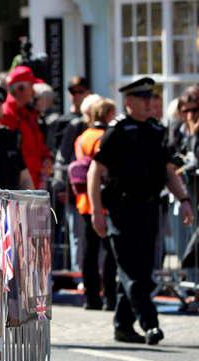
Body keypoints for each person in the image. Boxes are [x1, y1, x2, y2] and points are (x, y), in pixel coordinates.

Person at [88, 77, 194, 345]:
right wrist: (96, 211)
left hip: (148, 207)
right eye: (144, 99)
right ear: (129, 102)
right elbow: (95, 170)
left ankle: (123, 326)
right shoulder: (118, 131)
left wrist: (183, 199)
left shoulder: (157, 131)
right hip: (121, 208)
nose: (150, 103)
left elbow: (168, 170)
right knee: (131, 271)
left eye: (152, 98)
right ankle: (151, 324)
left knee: (142, 271)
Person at [73, 98, 117, 310]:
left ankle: (92, 298)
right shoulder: (106, 137)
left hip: (84, 201)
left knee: (89, 251)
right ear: (108, 114)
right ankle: (110, 296)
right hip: (104, 200)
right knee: (109, 250)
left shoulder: (82, 137)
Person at [0, 66, 52, 189]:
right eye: (31, 87)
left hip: (33, 179)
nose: (34, 92)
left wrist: (47, 158)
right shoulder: (5, 114)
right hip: (17, 183)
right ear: (20, 89)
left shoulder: (29, 113)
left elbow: (39, 144)